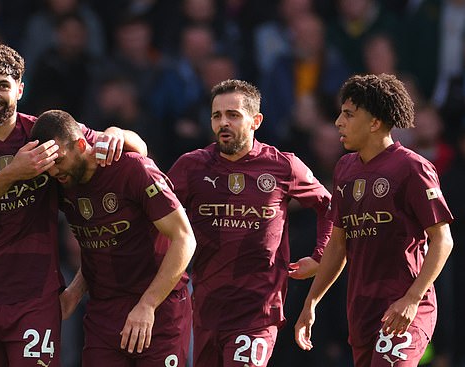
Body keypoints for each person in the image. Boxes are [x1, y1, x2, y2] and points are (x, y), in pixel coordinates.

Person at [0, 43, 146, 366]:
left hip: (35, 301)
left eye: (3, 85)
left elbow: (138, 148)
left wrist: (117, 133)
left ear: (19, 89)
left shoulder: (43, 134)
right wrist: (14, 174)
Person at [166, 78, 333, 367]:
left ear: (255, 121)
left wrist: (321, 256)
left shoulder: (283, 166)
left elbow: (330, 208)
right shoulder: (191, 166)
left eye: (233, 115)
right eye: (217, 116)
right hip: (206, 308)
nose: (223, 123)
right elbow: (157, 214)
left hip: (257, 310)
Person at [294, 73, 454, 367]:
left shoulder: (412, 167)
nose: (338, 122)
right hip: (362, 310)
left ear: (375, 122)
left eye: (348, 114)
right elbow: (338, 244)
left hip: (403, 307)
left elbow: (443, 239)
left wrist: (412, 299)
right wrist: (311, 303)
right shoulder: (344, 168)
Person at [30, 109, 197, 366]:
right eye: (48, 164)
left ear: (82, 144)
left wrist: (148, 305)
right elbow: (99, 244)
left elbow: (185, 238)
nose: (53, 172)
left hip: (159, 310)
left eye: (59, 160)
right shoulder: (62, 184)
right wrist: (73, 294)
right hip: (104, 313)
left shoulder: (131, 169)